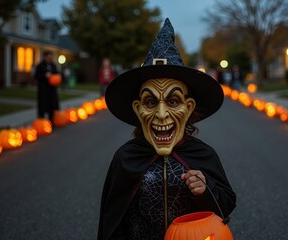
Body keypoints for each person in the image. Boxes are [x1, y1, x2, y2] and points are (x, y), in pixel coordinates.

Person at [98, 19, 236, 240]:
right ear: (138, 108)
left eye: (173, 101)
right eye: (150, 103)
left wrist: (205, 189)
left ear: (188, 108)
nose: (161, 115)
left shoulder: (202, 155)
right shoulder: (126, 158)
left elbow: (225, 205)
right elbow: (112, 220)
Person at [34, 50, 59, 123]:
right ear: (45, 57)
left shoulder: (53, 65)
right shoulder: (40, 65)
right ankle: (41, 120)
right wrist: (45, 75)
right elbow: (36, 76)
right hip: (43, 89)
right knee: (43, 104)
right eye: (48, 57)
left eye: (51, 57)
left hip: (52, 89)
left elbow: (57, 74)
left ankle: (51, 120)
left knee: (52, 105)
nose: (50, 58)